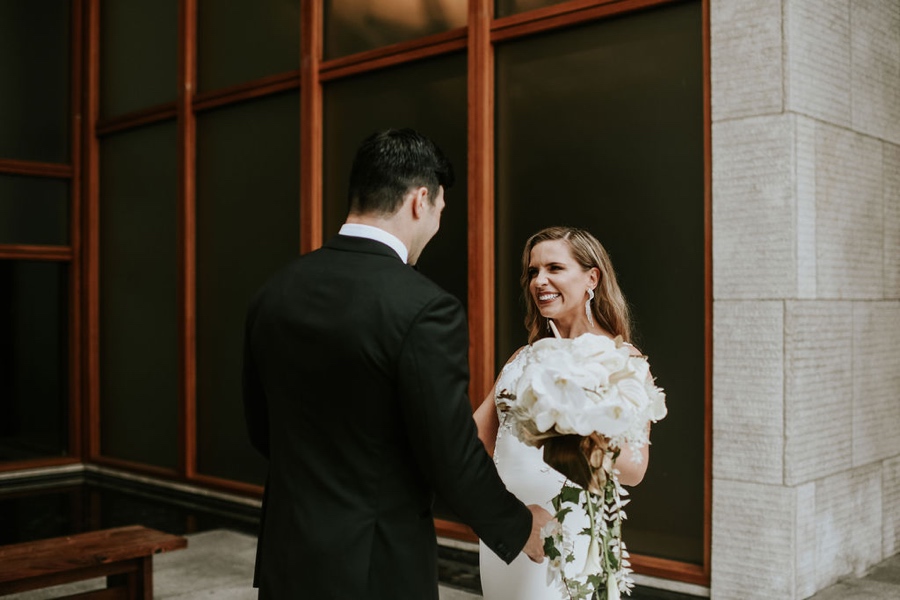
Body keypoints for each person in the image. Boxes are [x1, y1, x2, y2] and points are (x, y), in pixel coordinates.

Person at [242, 128, 551, 600]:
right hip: (374, 564)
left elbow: (261, 429)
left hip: (289, 554)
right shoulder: (424, 307)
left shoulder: (275, 292)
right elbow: (449, 454)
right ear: (419, 200)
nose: (435, 226)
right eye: (440, 211)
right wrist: (520, 525)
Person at [474, 226, 651, 600]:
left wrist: (565, 427)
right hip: (508, 528)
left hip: (568, 533)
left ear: (592, 278)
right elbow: (475, 439)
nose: (540, 281)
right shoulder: (522, 358)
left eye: (554, 268)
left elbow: (634, 469)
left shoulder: (623, 360)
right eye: (533, 271)